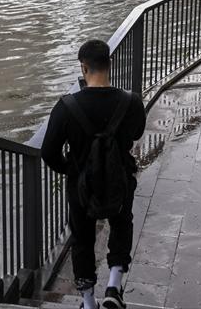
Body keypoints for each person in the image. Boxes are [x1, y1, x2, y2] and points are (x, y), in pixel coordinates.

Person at [41, 40, 146, 309]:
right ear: (108, 64)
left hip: (81, 187)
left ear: (83, 67)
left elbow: (49, 152)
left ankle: (88, 302)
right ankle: (114, 286)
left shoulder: (66, 106)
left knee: (82, 239)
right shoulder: (131, 102)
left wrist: (72, 170)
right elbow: (135, 134)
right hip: (119, 179)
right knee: (122, 225)